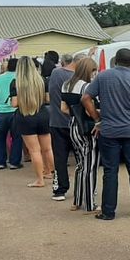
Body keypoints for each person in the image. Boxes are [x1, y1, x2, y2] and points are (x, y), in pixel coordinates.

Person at [82, 48, 130, 221]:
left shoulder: (103, 77)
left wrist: (98, 118)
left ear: (115, 60)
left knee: (110, 171)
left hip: (109, 130)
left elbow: (85, 98)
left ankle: (108, 211)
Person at [61, 56, 99, 213]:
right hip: (86, 128)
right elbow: (90, 110)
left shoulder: (66, 84)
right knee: (90, 166)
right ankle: (90, 204)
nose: (95, 74)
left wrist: (75, 114)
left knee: (80, 165)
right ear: (88, 71)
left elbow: (63, 108)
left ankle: (77, 200)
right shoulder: (86, 87)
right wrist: (97, 116)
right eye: (94, 71)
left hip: (72, 126)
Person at [10, 57, 55, 188]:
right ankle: (53, 174)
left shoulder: (15, 83)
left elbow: (14, 104)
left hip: (25, 116)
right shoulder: (42, 80)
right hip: (42, 114)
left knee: (34, 151)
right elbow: (48, 99)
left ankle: (40, 180)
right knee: (48, 149)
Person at [48, 53, 77, 202]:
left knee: (60, 157)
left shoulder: (56, 73)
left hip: (57, 121)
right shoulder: (82, 78)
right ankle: (84, 186)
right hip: (77, 122)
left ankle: (60, 189)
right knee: (82, 157)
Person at [0, 58, 23, 170]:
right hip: (16, 111)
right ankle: (14, 162)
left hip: (1, 112)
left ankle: (0, 161)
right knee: (17, 137)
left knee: (0, 136)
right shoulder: (20, 79)